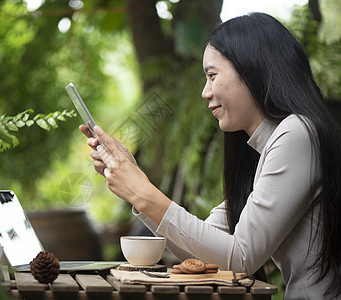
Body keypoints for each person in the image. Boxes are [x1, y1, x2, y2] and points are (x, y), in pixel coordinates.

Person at [79, 13, 341, 299]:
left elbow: (240, 256)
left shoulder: (297, 133)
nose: (205, 92)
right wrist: (135, 187)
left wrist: (144, 194)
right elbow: (202, 249)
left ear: (252, 69)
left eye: (212, 75)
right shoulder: (265, 147)